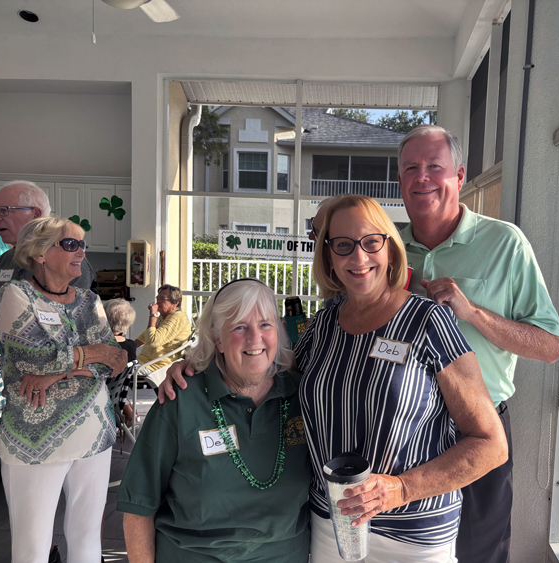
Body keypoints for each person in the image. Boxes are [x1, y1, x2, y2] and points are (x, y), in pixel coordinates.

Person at [160, 195, 508, 562]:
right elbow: (262, 371)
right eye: (343, 245)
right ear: (328, 257)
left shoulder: (429, 322)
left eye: (371, 242)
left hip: (412, 536)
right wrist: (197, 365)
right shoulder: (323, 326)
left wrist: (401, 489)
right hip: (330, 526)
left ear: (390, 249)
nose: (358, 257)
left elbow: (491, 444)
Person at [397, 125, 559, 563]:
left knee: (479, 554)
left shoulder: (505, 243)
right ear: (399, 179)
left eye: (434, 166)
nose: (422, 177)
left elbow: (549, 346)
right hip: (402, 426)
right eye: (411, 168)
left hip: (477, 431)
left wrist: (472, 313)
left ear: (458, 176)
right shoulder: (386, 249)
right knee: (404, 550)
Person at [117, 279, 311, 562]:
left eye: (265, 324)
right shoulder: (180, 399)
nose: (255, 338)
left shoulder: (304, 397)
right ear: (217, 339)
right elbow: (138, 507)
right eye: (240, 327)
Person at [0, 216, 127, 563]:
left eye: (82, 244)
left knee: (87, 540)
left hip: (94, 433)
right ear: (39, 253)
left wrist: (53, 376)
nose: (81, 251)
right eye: (70, 244)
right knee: (32, 548)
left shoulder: (89, 300)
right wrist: (92, 354)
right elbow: (32, 359)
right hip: (35, 437)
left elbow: (114, 360)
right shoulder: (17, 294)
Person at [0, 181, 95, 334]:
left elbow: (64, 328)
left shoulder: (68, 259)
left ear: (35, 214)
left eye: (3, 210)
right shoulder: (4, 260)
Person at [134, 284, 192, 373]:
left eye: (162, 299)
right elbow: (145, 336)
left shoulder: (177, 317)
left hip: (154, 368)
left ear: (175, 303)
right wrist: (126, 349)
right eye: (157, 298)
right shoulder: (164, 316)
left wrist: (153, 315)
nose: (158, 302)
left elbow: (152, 341)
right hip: (142, 363)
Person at [104, 298, 139, 425]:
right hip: (117, 398)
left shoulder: (99, 348)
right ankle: (128, 414)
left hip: (99, 397)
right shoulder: (131, 346)